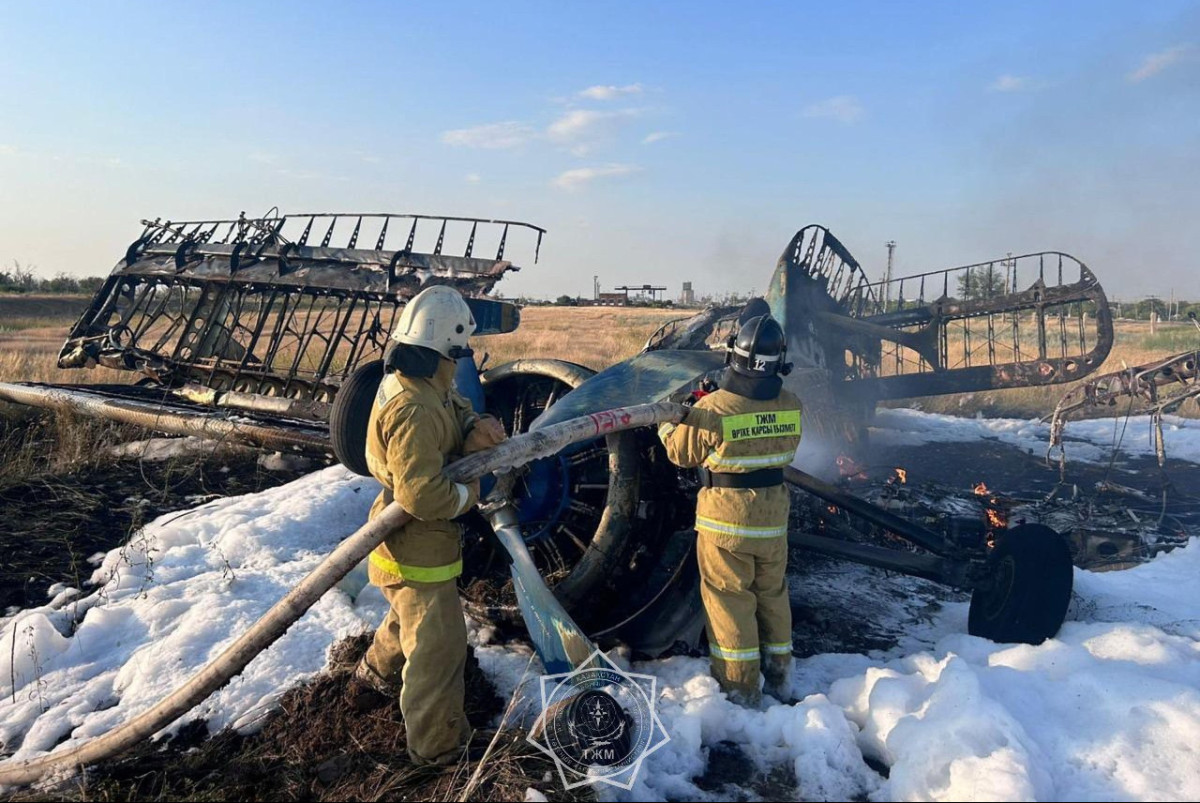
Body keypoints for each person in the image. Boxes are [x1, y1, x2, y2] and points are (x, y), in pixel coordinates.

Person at [352, 284, 506, 765]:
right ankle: (438, 753)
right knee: (437, 653)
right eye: (459, 350)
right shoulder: (414, 408)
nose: (462, 359)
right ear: (446, 345)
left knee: (406, 622)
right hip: (419, 552)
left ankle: (370, 680)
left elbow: (453, 406)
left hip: (406, 546)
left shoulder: (420, 383)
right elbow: (420, 494)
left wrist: (476, 426)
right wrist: (471, 495)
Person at [658, 312, 803, 706]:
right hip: (773, 521)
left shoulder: (717, 409)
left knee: (729, 600)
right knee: (772, 594)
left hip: (727, 522)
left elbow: (680, 453)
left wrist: (676, 416)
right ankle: (780, 675)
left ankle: (740, 689)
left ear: (732, 356)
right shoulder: (792, 405)